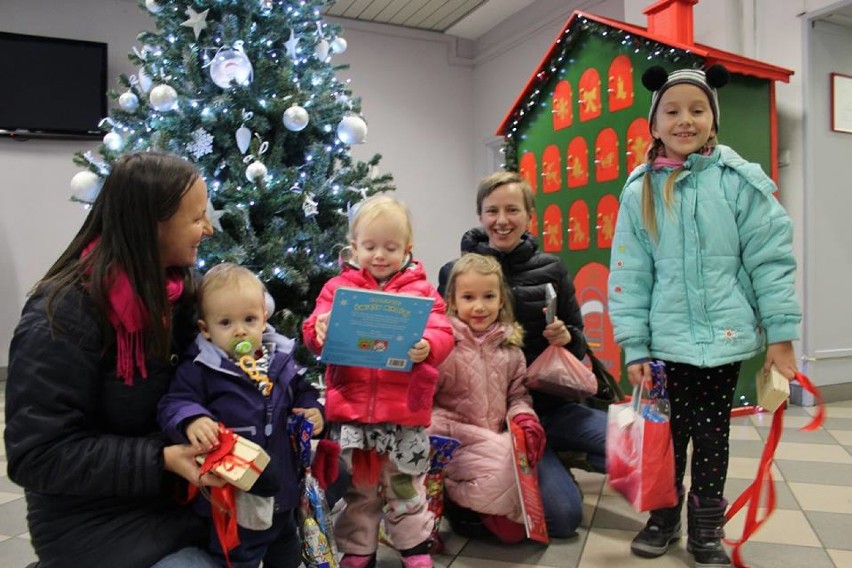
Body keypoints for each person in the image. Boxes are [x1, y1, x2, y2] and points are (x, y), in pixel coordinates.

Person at [608, 64, 801, 568]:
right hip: (664, 347)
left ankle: (706, 531)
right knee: (666, 439)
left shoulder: (739, 183)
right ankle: (663, 517)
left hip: (723, 340)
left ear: (713, 122)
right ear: (654, 124)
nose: (685, 120)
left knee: (713, 437)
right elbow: (630, 276)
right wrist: (635, 344)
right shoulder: (640, 191)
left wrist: (780, 335)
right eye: (672, 111)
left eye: (697, 110)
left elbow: (770, 259)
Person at [3, 152, 224, 568]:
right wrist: (162, 458)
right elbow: (38, 455)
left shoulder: (180, 294)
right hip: (91, 521)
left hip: (173, 500)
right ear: (153, 224)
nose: (208, 229)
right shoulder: (63, 314)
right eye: (196, 218)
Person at [438, 171, 606, 538]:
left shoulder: (552, 268)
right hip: (493, 419)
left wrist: (565, 337)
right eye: (492, 210)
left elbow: (579, 339)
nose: (502, 220)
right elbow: (439, 338)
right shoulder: (456, 273)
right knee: (563, 519)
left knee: (629, 445)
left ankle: (559, 457)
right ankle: (471, 493)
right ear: (480, 215)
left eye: (512, 209)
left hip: (548, 405)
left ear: (529, 215)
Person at [302, 194, 454, 568]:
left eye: (390, 247)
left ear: (407, 249)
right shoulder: (337, 289)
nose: (380, 255)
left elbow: (443, 331)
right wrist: (318, 330)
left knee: (405, 487)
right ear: (354, 247)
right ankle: (359, 551)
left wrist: (427, 345)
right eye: (370, 246)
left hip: (403, 416)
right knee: (360, 491)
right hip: (354, 416)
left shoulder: (422, 292)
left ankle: (415, 550)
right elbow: (312, 328)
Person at [157, 262, 324, 568]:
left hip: (283, 493)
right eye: (226, 323)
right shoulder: (201, 369)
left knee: (287, 553)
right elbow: (174, 402)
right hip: (234, 501)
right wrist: (193, 418)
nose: (240, 330)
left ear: (264, 320)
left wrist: (315, 411)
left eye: (249, 319)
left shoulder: (280, 361)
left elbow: (304, 392)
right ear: (206, 330)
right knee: (238, 559)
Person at [429, 253, 545, 544]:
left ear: (501, 301)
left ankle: (465, 506)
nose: (479, 307)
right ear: (453, 302)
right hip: (452, 436)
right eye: (468, 297)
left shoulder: (511, 350)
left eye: (489, 296)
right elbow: (424, 398)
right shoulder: (444, 347)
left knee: (517, 521)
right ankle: (453, 497)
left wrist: (523, 418)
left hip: (492, 436)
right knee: (508, 507)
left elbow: (518, 395)